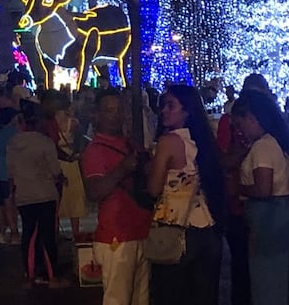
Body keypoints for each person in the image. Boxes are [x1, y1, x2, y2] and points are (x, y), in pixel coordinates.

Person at [147, 84, 224, 305]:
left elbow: (153, 188)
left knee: (170, 295)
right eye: (164, 105)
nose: (164, 110)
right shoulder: (204, 140)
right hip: (207, 227)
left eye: (171, 105)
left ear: (187, 111)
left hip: (177, 229)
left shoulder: (169, 142)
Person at [81, 89, 152, 305]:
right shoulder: (94, 151)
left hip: (140, 230)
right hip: (116, 235)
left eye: (119, 110)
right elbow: (94, 192)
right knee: (117, 299)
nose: (115, 115)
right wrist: (122, 169)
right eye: (109, 110)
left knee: (141, 298)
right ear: (96, 115)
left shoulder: (129, 144)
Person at [231, 92, 289, 305]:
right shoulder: (280, 142)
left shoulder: (262, 146)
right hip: (287, 214)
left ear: (252, 119)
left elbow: (264, 189)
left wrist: (238, 188)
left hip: (269, 220)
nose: (240, 131)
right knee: (288, 285)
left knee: (268, 286)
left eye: (240, 124)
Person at [216, 74, 268, 305]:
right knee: (241, 266)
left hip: (267, 207)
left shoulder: (272, 126)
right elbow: (223, 159)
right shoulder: (230, 123)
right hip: (239, 203)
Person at [8, 101, 68, 288]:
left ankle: (30, 275)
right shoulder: (44, 142)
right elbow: (55, 170)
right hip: (45, 194)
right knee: (47, 235)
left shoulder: (13, 144)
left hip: (24, 194)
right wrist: (62, 178)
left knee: (29, 234)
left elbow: (10, 171)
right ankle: (52, 277)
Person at [56, 99, 88, 239]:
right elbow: (80, 140)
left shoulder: (53, 122)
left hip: (58, 161)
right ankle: (76, 232)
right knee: (75, 197)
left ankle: (55, 232)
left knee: (58, 197)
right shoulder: (73, 122)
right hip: (72, 161)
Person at [0, 107, 21, 244]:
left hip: (0, 171)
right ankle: (14, 232)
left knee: (1, 205)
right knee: (11, 204)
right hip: (14, 171)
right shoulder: (17, 133)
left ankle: (1, 232)